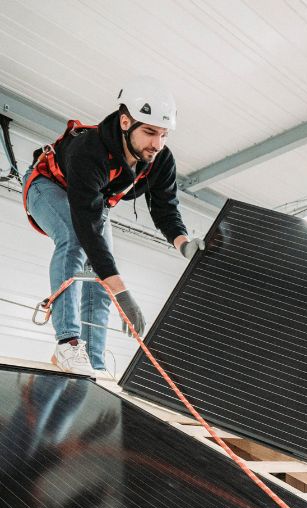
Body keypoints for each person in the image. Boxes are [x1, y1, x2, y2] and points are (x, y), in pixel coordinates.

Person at [22, 76, 205, 377]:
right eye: (149, 132)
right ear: (125, 122)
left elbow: (165, 209)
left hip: (92, 202)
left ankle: (94, 362)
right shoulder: (89, 151)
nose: (157, 144)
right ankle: (67, 344)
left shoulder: (161, 160)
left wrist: (184, 244)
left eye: (164, 135)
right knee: (75, 240)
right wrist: (123, 291)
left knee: (104, 271)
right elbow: (86, 228)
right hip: (47, 185)